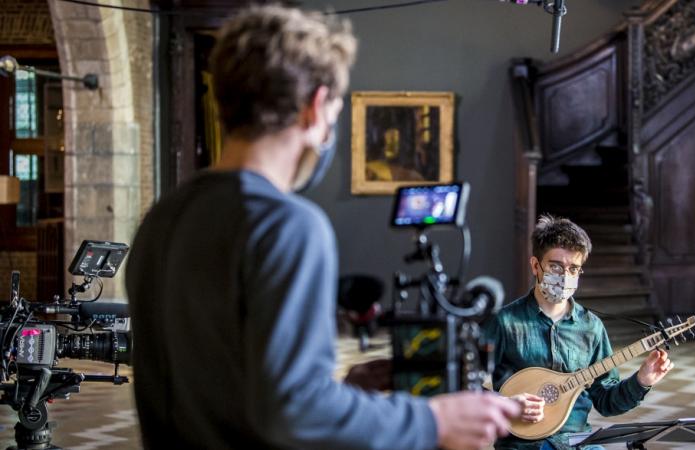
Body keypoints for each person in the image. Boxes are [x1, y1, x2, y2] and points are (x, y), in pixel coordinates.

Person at [126, 6, 519, 450]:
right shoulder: (287, 224)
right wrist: (433, 420)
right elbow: (296, 413)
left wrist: (346, 394)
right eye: (335, 112)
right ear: (315, 107)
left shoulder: (161, 219)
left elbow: (242, 393)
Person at [484, 215, 674, 450]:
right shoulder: (505, 322)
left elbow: (606, 402)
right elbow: (466, 386)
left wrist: (642, 380)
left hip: (577, 443)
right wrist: (506, 403)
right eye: (555, 266)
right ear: (536, 265)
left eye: (573, 268)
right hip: (523, 445)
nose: (565, 276)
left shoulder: (591, 327)